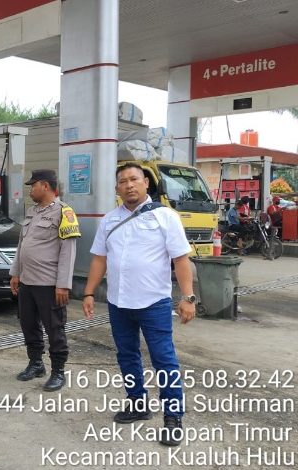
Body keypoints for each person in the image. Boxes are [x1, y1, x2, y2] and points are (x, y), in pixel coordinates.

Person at [82, 162, 196, 447]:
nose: (129, 185)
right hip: (118, 303)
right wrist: (88, 293)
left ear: (146, 182)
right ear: (117, 188)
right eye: (123, 181)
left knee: (164, 360)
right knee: (127, 356)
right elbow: (99, 259)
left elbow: (181, 259)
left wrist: (188, 297)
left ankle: (173, 418)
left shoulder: (165, 216)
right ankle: (137, 403)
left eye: (134, 179)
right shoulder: (109, 220)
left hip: (153, 303)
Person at [9, 169, 79, 392]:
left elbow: (68, 251)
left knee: (54, 328)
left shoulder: (64, 212)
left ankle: (58, 372)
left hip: (49, 284)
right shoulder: (32, 211)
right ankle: (36, 363)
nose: (30, 190)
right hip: (27, 281)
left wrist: (63, 284)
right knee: (28, 325)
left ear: (46, 186)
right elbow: (22, 245)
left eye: (33, 185)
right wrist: (15, 273)